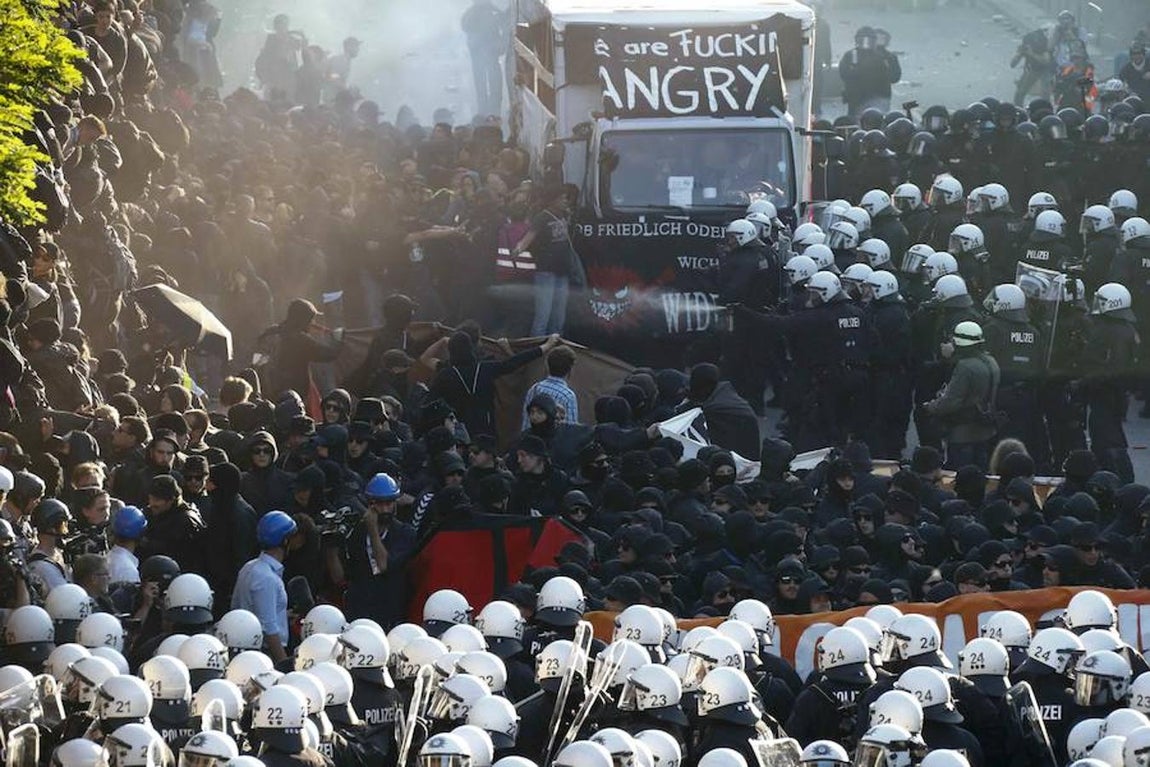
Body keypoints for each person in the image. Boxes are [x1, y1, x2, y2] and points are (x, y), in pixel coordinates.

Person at [920, 321, 1000, 470]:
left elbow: (951, 401)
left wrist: (930, 407)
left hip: (963, 433)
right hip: (986, 431)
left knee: (958, 474)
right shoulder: (991, 361)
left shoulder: (965, 367)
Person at [513, 186, 580, 336]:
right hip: (546, 272)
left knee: (559, 316)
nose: (565, 201)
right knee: (543, 315)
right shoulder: (542, 217)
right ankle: (536, 344)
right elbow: (529, 237)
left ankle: (554, 344)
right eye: (562, 198)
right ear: (553, 200)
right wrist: (518, 249)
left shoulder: (564, 215)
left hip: (562, 271)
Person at [232, 511, 296, 663]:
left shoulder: (249, 567)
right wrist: (283, 664)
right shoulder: (267, 578)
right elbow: (268, 628)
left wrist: (282, 614)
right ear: (285, 541)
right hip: (265, 654)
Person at [522, 345, 578, 428]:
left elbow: (526, 422)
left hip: (530, 436)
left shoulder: (535, 388)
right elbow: (571, 429)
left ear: (547, 366)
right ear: (570, 370)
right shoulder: (568, 396)